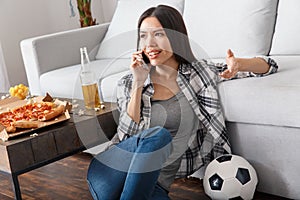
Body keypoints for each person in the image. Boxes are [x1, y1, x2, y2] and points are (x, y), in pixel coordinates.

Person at [87, 5, 278, 200]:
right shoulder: (129, 82)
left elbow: (268, 66)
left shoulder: (199, 73)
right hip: (111, 173)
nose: (150, 43)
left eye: (159, 34)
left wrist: (239, 64)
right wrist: (138, 82)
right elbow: (126, 137)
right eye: (143, 36)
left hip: (156, 184)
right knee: (158, 137)